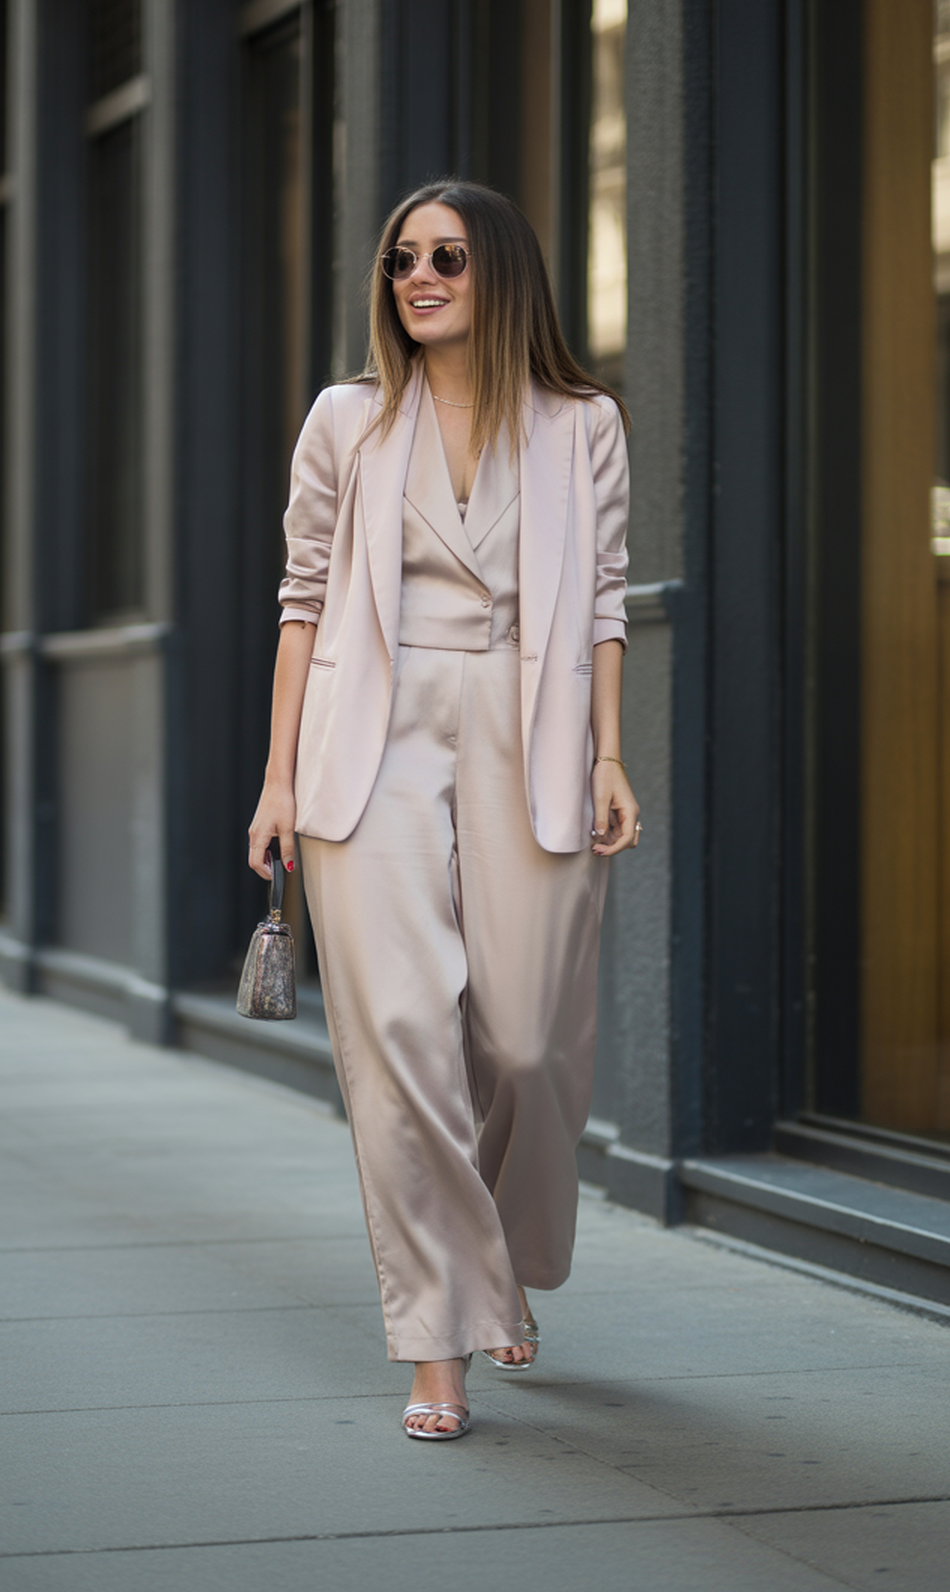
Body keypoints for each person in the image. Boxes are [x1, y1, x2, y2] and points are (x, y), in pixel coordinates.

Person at [248, 180, 639, 1441]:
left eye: (448, 258)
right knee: (404, 1041)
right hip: (370, 735)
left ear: (501, 274)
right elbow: (301, 600)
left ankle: (499, 1254)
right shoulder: (347, 419)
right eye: (403, 258)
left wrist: (610, 757)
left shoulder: (581, 424)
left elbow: (605, 604)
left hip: (531, 735)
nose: (418, 276)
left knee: (525, 1044)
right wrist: (275, 778)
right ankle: (439, 1345)